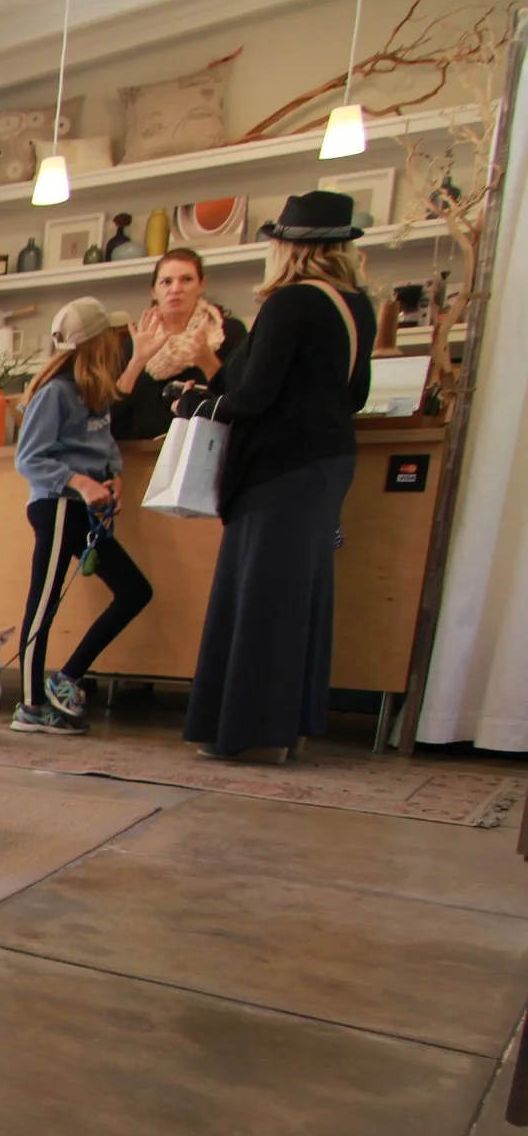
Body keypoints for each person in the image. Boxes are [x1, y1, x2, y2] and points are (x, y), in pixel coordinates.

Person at [172, 190, 376, 761]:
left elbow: (255, 394)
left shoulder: (291, 304)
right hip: (329, 464)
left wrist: (195, 405)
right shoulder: (356, 306)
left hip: (280, 469)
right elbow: (356, 394)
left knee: (260, 595)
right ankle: (288, 728)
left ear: (286, 246)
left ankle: (250, 735)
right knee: (299, 595)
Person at [8, 297, 156, 735]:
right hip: (56, 506)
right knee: (44, 604)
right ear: (98, 343)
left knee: (135, 591)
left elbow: (105, 444)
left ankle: (67, 677)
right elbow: (28, 459)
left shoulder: (93, 392)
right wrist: (81, 483)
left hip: (85, 511)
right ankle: (31, 706)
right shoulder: (55, 392)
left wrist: (114, 478)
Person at [109, 247, 249, 440]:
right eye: (166, 282)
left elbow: (243, 404)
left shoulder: (228, 333)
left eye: (186, 279)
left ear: (202, 284)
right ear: (154, 291)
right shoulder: (134, 342)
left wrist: (208, 363)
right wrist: (137, 362)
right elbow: (106, 420)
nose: (175, 289)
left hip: (206, 448)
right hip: (143, 454)